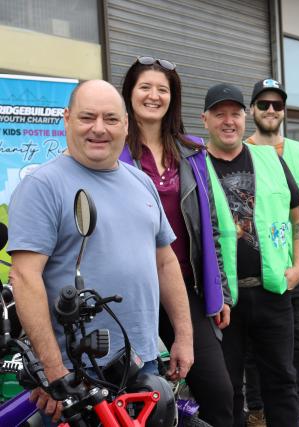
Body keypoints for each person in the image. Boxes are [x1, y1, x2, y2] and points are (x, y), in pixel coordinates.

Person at [7, 80, 193, 422]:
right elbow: (24, 277)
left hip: (142, 362)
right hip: (79, 375)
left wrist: (183, 336)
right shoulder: (42, 186)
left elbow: (165, 263)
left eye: (110, 118)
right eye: (87, 117)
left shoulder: (141, 182)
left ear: (126, 125)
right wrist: (54, 372)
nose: (98, 128)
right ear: (67, 119)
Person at [118, 56, 233, 425]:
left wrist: (220, 291)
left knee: (218, 393)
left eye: (162, 89)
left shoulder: (191, 151)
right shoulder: (112, 152)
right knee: (133, 400)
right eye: (145, 87)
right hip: (130, 293)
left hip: (183, 287)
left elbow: (209, 226)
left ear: (173, 98)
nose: (153, 96)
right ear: (129, 93)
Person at [200, 83, 299, 426]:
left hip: (273, 293)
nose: (228, 121)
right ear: (205, 120)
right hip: (222, 301)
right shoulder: (195, 167)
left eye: (235, 113)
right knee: (226, 390)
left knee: (282, 382)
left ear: (245, 117)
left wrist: (298, 267)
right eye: (220, 114)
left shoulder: (270, 159)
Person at [243, 78, 299, 426]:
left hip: (296, 271)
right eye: (263, 104)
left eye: (277, 105)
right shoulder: (240, 150)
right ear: (252, 109)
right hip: (258, 271)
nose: (270, 110)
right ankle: (257, 412)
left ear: (284, 111)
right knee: (254, 350)